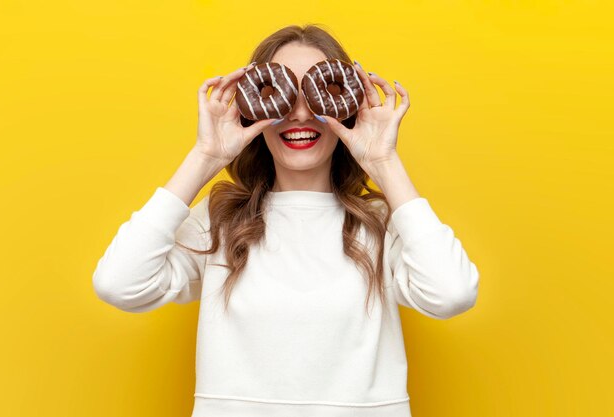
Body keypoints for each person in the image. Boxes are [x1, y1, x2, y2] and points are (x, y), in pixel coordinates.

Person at [92, 24, 479, 417]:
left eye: (319, 95)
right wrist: (206, 156)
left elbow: (452, 294)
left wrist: (384, 162)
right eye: (280, 95)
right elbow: (119, 284)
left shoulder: (381, 223)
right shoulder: (221, 219)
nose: (299, 114)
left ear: (347, 106)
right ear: (252, 106)